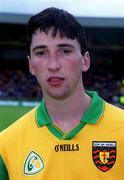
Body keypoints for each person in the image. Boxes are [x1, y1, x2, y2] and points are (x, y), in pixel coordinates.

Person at [0, 7, 124, 180]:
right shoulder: (6, 145)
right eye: (41, 53)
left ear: (85, 61)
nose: (53, 65)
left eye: (64, 51)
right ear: (31, 65)